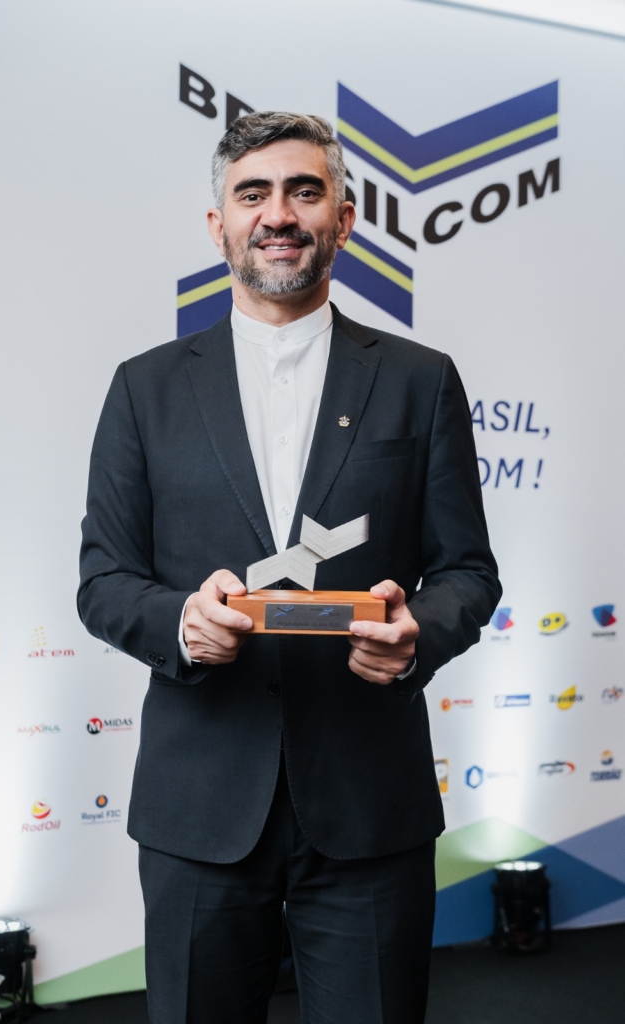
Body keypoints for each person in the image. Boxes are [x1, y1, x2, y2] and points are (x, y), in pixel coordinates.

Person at [78, 111, 501, 1024]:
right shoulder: (143, 388)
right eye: (253, 194)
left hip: (369, 801)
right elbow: (103, 581)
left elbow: (468, 571)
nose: (279, 214)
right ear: (218, 224)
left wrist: (419, 634)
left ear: (342, 220)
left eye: (305, 191)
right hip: (197, 805)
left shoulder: (422, 379)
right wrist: (181, 623)